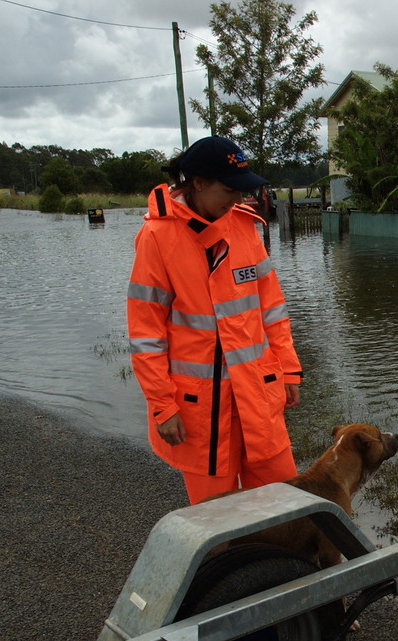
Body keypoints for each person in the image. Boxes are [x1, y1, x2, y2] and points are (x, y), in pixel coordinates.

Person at [126, 135, 303, 504]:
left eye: (241, 190)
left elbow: (272, 310)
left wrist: (289, 370)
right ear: (198, 184)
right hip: (200, 410)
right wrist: (162, 405)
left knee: (287, 506)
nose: (237, 199)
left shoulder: (243, 227)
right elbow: (146, 334)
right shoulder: (157, 237)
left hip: (258, 393)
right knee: (216, 522)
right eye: (229, 190)